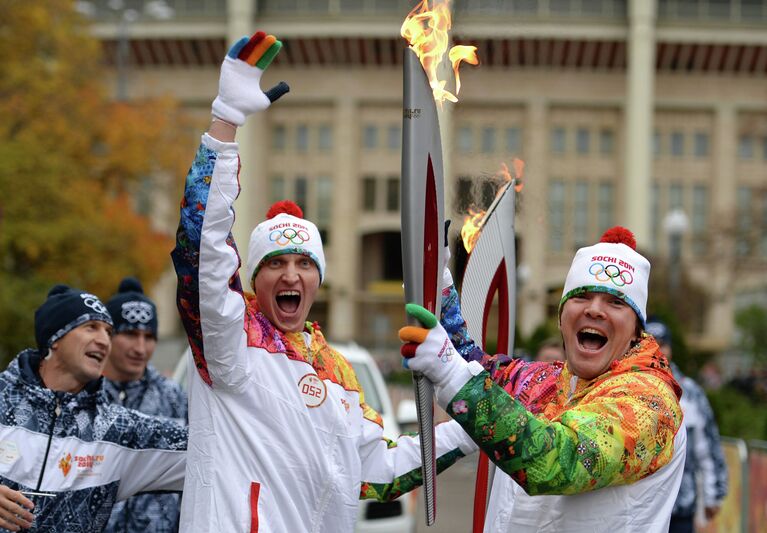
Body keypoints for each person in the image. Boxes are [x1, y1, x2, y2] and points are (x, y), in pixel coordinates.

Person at [171, 31, 474, 532]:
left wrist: (472, 422)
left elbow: (381, 472)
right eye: (275, 263)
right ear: (254, 276)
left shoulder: (337, 373)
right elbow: (200, 255)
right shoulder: (229, 342)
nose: (291, 274)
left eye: (304, 264)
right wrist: (225, 124)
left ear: (319, 280)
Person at [399, 227, 687, 532]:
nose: (594, 310)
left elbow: (556, 462)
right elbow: (474, 368)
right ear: (562, 318)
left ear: (635, 332)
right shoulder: (545, 383)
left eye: (615, 303)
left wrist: (449, 371)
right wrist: (438, 290)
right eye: (582, 297)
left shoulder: (649, 404)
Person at [0, 285, 186, 532]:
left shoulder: (118, 430)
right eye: (91, 327)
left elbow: (216, 449)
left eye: (108, 332)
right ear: (55, 338)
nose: (103, 340)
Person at [103, 277, 188, 533]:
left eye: (149, 336)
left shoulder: (174, 396)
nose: (140, 348)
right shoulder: (84, 394)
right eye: (129, 334)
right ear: (107, 336)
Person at [645, 318, 728, 533]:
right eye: (650, 342)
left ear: (671, 348)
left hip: (680, 506)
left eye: (662, 344)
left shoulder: (690, 392)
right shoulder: (622, 387)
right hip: (641, 508)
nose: (657, 349)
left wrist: (714, 494)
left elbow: (707, 445)